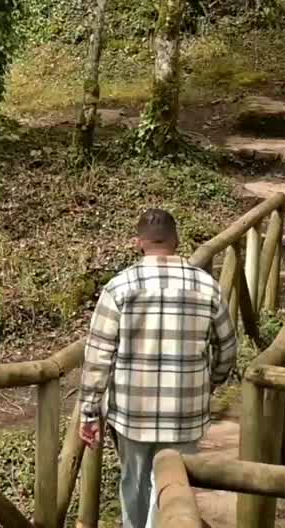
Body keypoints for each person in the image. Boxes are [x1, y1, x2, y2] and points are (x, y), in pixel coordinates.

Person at [78, 208, 238, 528]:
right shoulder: (207, 287)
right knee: (174, 486)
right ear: (176, 240)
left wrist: (89, 411)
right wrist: (211, 382)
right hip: (186, 409)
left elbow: (98, 356)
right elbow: (228, 347)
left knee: (134, 482)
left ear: (139, 243)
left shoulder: (118, 287)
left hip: (132, 411)